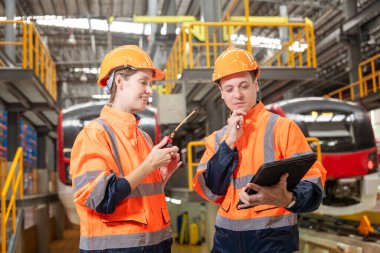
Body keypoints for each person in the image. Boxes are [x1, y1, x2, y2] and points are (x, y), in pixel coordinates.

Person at [193, 47, 327, 253]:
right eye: (229, 89)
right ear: (221, 93)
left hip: (273, 242)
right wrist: (229, 144)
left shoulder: (283, 128)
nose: (237, 94)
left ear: (256, 84)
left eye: (244, 86)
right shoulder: (218, 139)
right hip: (226, 241)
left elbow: (314, 183)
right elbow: (211, 191)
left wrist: (289, 199)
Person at [70, 45, 181, 253]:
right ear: (120, 81)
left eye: (150, 84)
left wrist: (162, 176)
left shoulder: (144, 137)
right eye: (143, 82)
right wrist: (149, 165)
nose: (150, 90)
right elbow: (101, 199)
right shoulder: (94, 135)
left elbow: (138, 195)